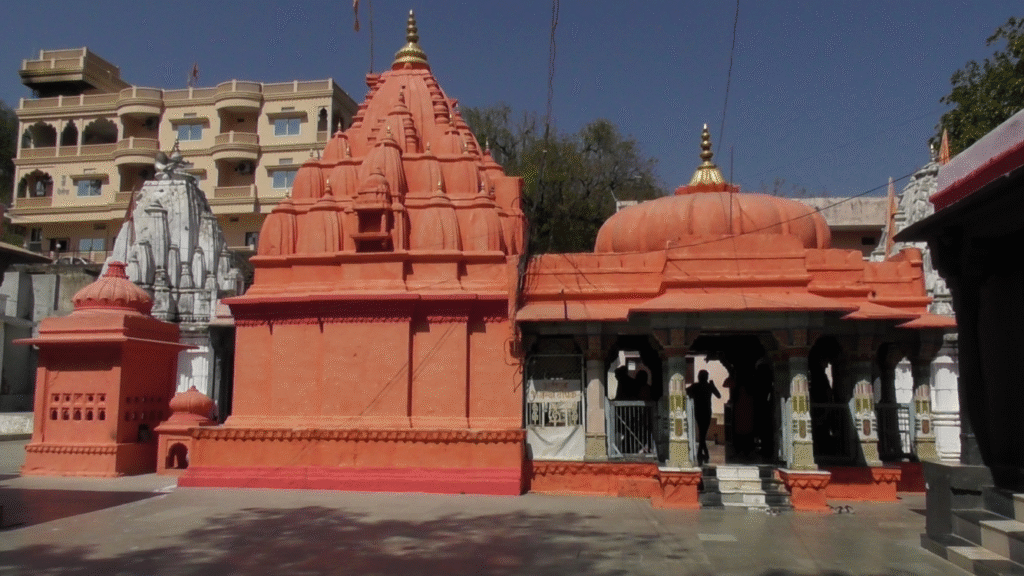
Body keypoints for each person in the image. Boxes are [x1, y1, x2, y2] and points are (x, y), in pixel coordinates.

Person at [687, 370, 721, 465]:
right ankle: (702, 454)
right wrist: (713, 386)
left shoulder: (696, 386)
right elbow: (718, 395)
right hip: (706, 411)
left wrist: (693, 395)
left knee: (702, 433)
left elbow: (686, 392)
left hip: (699, 411)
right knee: (703, 432)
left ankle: (702, 453)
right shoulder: (709, 386)